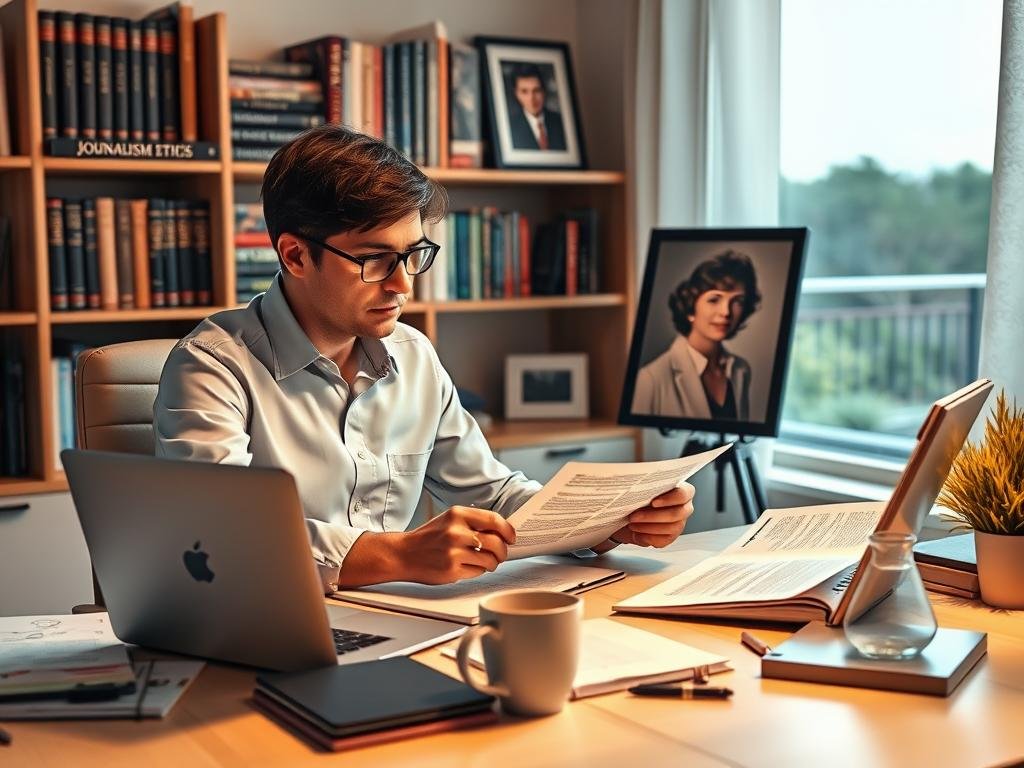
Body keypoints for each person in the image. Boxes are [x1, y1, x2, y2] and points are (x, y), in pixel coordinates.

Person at [154, 125, 695, 592]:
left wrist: (610, 522)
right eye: (374, 260)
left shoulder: (414, 356)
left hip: (398, 621)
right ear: (296, 255)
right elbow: (222, 535)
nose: (402, 284)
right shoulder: (212, 366)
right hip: (262, 628)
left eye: (413, 255)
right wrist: (400, 555)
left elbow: (493, 494)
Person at [631, 251, 762, 421]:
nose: (726, 312)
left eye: (737, 301)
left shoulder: (741, 369)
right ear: (691, 307)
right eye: (714, 300)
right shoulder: (651, 379)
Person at [508, 64, 567, 151]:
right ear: (517, 94)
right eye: (524, 92)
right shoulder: (509, 126)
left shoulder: (561, 122)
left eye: (536, 90)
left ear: (544, 91)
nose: (532, 98)